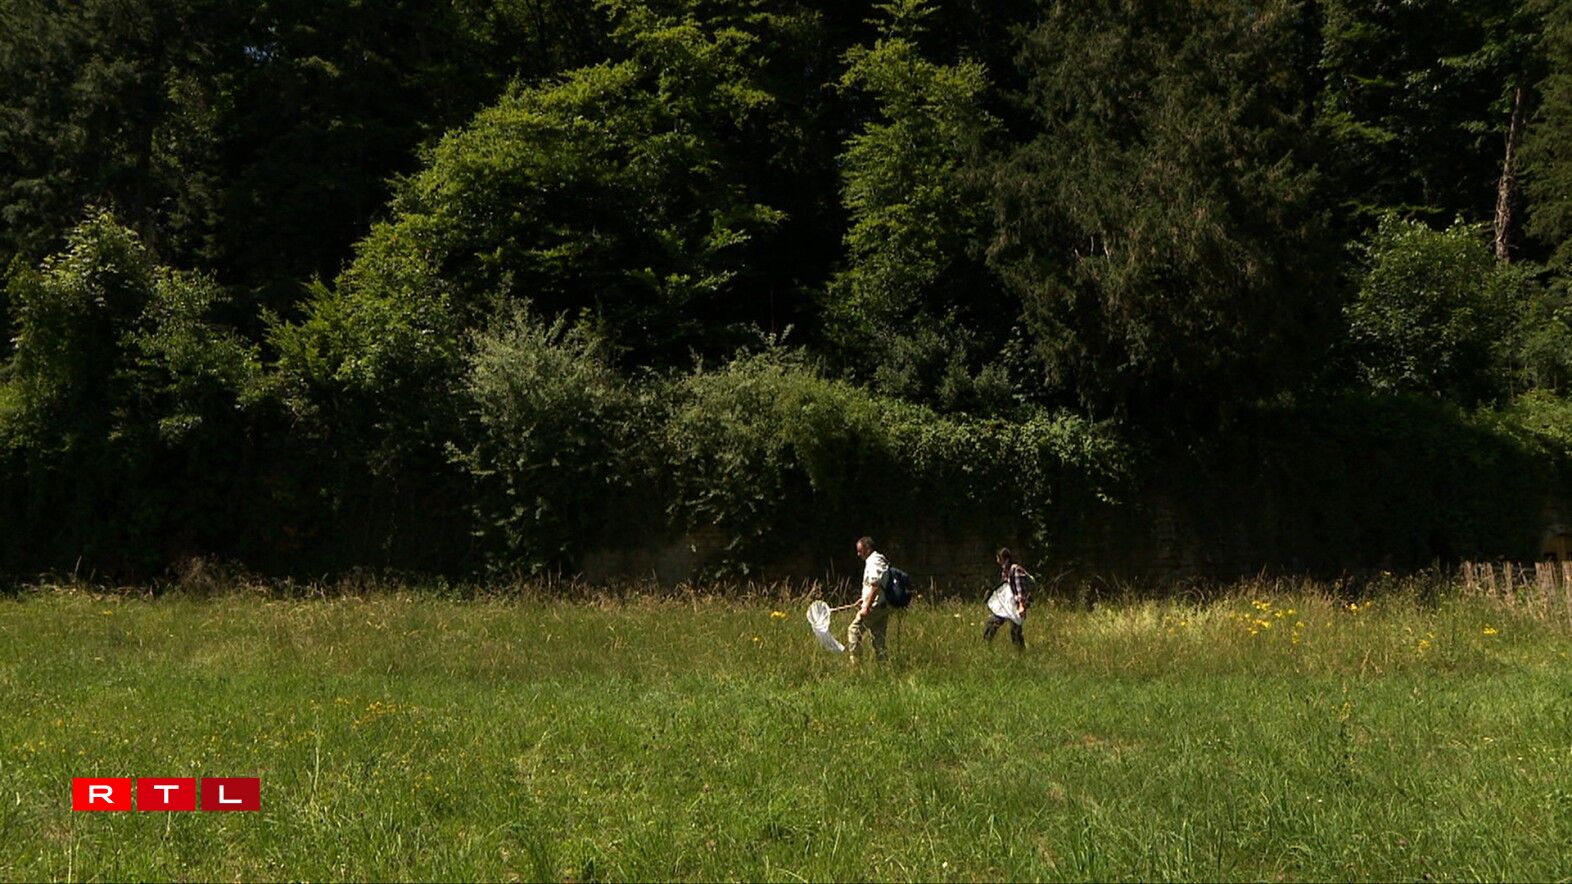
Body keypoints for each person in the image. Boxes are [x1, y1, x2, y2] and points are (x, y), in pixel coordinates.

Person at [849, 536, 891, 663]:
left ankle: (856, 664)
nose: (858, 554)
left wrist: (867, 606)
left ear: (867, 548)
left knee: (854, 630)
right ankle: (884, 665)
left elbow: (875, 585)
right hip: (882, 605)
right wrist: (864, 599)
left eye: (860, 550)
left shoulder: (874, 561)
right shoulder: (877, 560)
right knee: (878, 638)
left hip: (875, 606)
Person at [984, 547, 1029, 649]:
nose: (997, 561)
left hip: (1016, 605)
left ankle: (1020, 653)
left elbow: (1020, 590)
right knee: (992, 623)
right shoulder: (1005, 571)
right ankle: (986, 646)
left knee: (1015, 630)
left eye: (999, 558)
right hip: (1007, 604)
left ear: (1006, 559)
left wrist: (1021, 606)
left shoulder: (1016, 570)